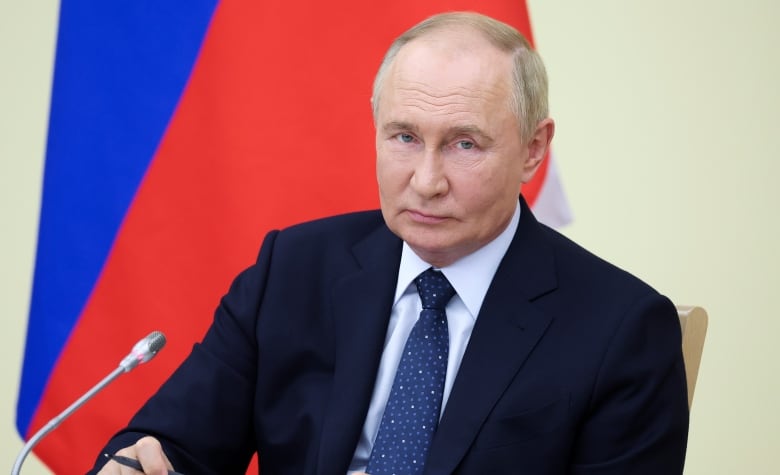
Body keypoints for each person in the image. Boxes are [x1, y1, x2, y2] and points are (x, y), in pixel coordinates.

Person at [91, 11, 688, 475]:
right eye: (404, 137)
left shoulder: (622, 330)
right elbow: (166, 444)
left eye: (465, 145)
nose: (426, 181)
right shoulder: (292, 272)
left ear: (534, 148)